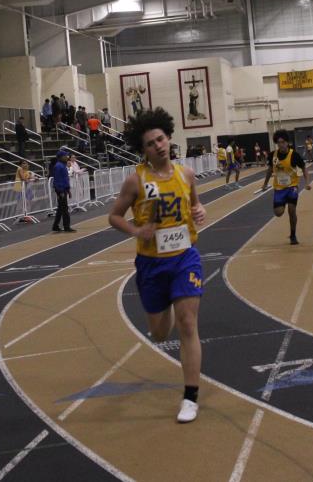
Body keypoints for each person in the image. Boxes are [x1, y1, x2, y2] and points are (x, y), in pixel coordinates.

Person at [107, 107, 206, 424]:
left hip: (185, 257)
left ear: (169, 138)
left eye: (161, 139)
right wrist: (136, 231)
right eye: (150, 143)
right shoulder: (135, 181)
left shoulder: (186, 174)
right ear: (144, 149)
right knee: (161, 333)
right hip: (151, 264)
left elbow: (195, 205)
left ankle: (190, 397)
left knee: (188, 323)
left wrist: (200, 210)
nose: (158, 146)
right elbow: (114, 216)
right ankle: (164, 310)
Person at [264, 130, 310, 245]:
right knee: (278, 213)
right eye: (279, 142)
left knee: (291, 210)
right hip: (279, 189)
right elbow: (270, 170)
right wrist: (265, 183)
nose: (281, 145)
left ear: (287, 142)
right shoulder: (273, 155)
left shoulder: (294, 155)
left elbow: (304, 168)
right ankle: (283, 201)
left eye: (283, 142)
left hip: (292, 187)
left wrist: (307, 182)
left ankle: (293, 235)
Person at [51, 150, 75, 232]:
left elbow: (65, 179)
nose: (67, 157)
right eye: (65, 156)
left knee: (61, 208)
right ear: (61, 157)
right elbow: (58, 180)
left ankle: (55, 226)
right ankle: (66, 226)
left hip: (63, 189)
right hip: (61, 189)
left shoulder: (62, 165)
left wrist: (68, 190)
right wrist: (60, 191)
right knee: (64, 208)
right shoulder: (58, 166)